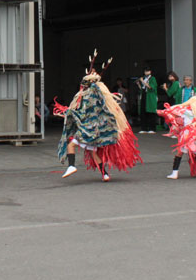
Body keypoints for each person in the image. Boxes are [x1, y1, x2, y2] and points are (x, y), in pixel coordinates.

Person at [55, 51, 141, 182]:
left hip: (88, 129)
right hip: (95, 131)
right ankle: (105, 174)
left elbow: (84, 112)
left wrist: (70, 113)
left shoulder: (89, 95)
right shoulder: (98, 95)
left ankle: (71, 166)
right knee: (93, 152)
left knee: (71, 146)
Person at [137, 66, 158, 132]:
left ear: (150, 72)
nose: (146, 72)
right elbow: (143, 89)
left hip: (150, 97)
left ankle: (152, 128)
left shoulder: (152, 78)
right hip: (144, 96)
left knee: (151, 112)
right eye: (145, 71)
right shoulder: (144, 78)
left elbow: (150, 87)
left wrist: (142, 81)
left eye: (148, 71)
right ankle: (144, 128)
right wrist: (139, 84)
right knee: (143, 112)